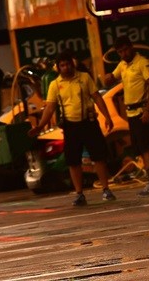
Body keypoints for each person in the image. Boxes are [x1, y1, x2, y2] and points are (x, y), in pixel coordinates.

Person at [28, 49, 116, 206]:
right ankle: (79, 193)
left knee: (99, 157)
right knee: (73, 161)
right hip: (70, 126)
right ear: (58, 67)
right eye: (62, 65)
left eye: (68, 64)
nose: (66, 67)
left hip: (88, 122)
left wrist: (107, 117)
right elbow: (49, 107)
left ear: (72, 64)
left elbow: (97, 97)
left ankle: (106, 189)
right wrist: (40, 126)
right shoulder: (55, 85)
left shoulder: (84, 78)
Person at [103, 36, 149, 197]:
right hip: (131, 113)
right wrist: (108, 78)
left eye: (125, 49)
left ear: (131, 47)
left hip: (142, 110)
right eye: (120, 51)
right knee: (141, 148)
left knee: (147, 147)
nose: (123, 53)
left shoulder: (142, 62)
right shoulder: (123, 64)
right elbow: (112, 77)